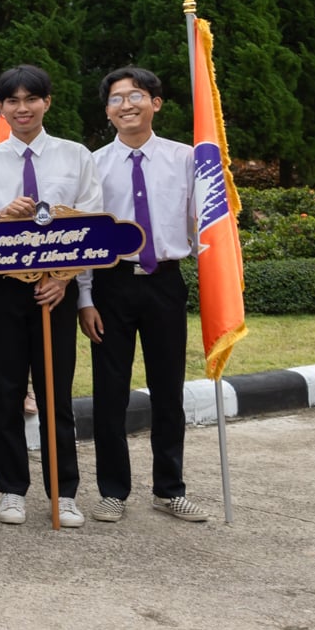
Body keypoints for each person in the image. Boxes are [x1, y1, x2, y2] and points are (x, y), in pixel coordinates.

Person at [0, 64, 104, 527]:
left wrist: (66, 280)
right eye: (13, 101)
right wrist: (1, 216)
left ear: (47, 102)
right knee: (6, 392)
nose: (22, 108)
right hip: (3, 291)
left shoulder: (75, 155)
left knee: (55, 393)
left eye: (31, 99)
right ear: (1, 107)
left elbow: (91, 225)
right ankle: (11, 490)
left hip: (55, 292)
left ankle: (64, 492)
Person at [84, 67, 208, 523]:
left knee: (168, 389)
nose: (127, 105)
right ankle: (113, 491)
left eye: (136, 95)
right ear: (107, 111)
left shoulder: (186, 158)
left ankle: (169, 489)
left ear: (156, 103)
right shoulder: (93, 164)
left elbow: (204, 222)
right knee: (109, 393)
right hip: (110, 285)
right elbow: (87, 236)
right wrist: (85, 298)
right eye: (116, 99)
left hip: (165, 283)